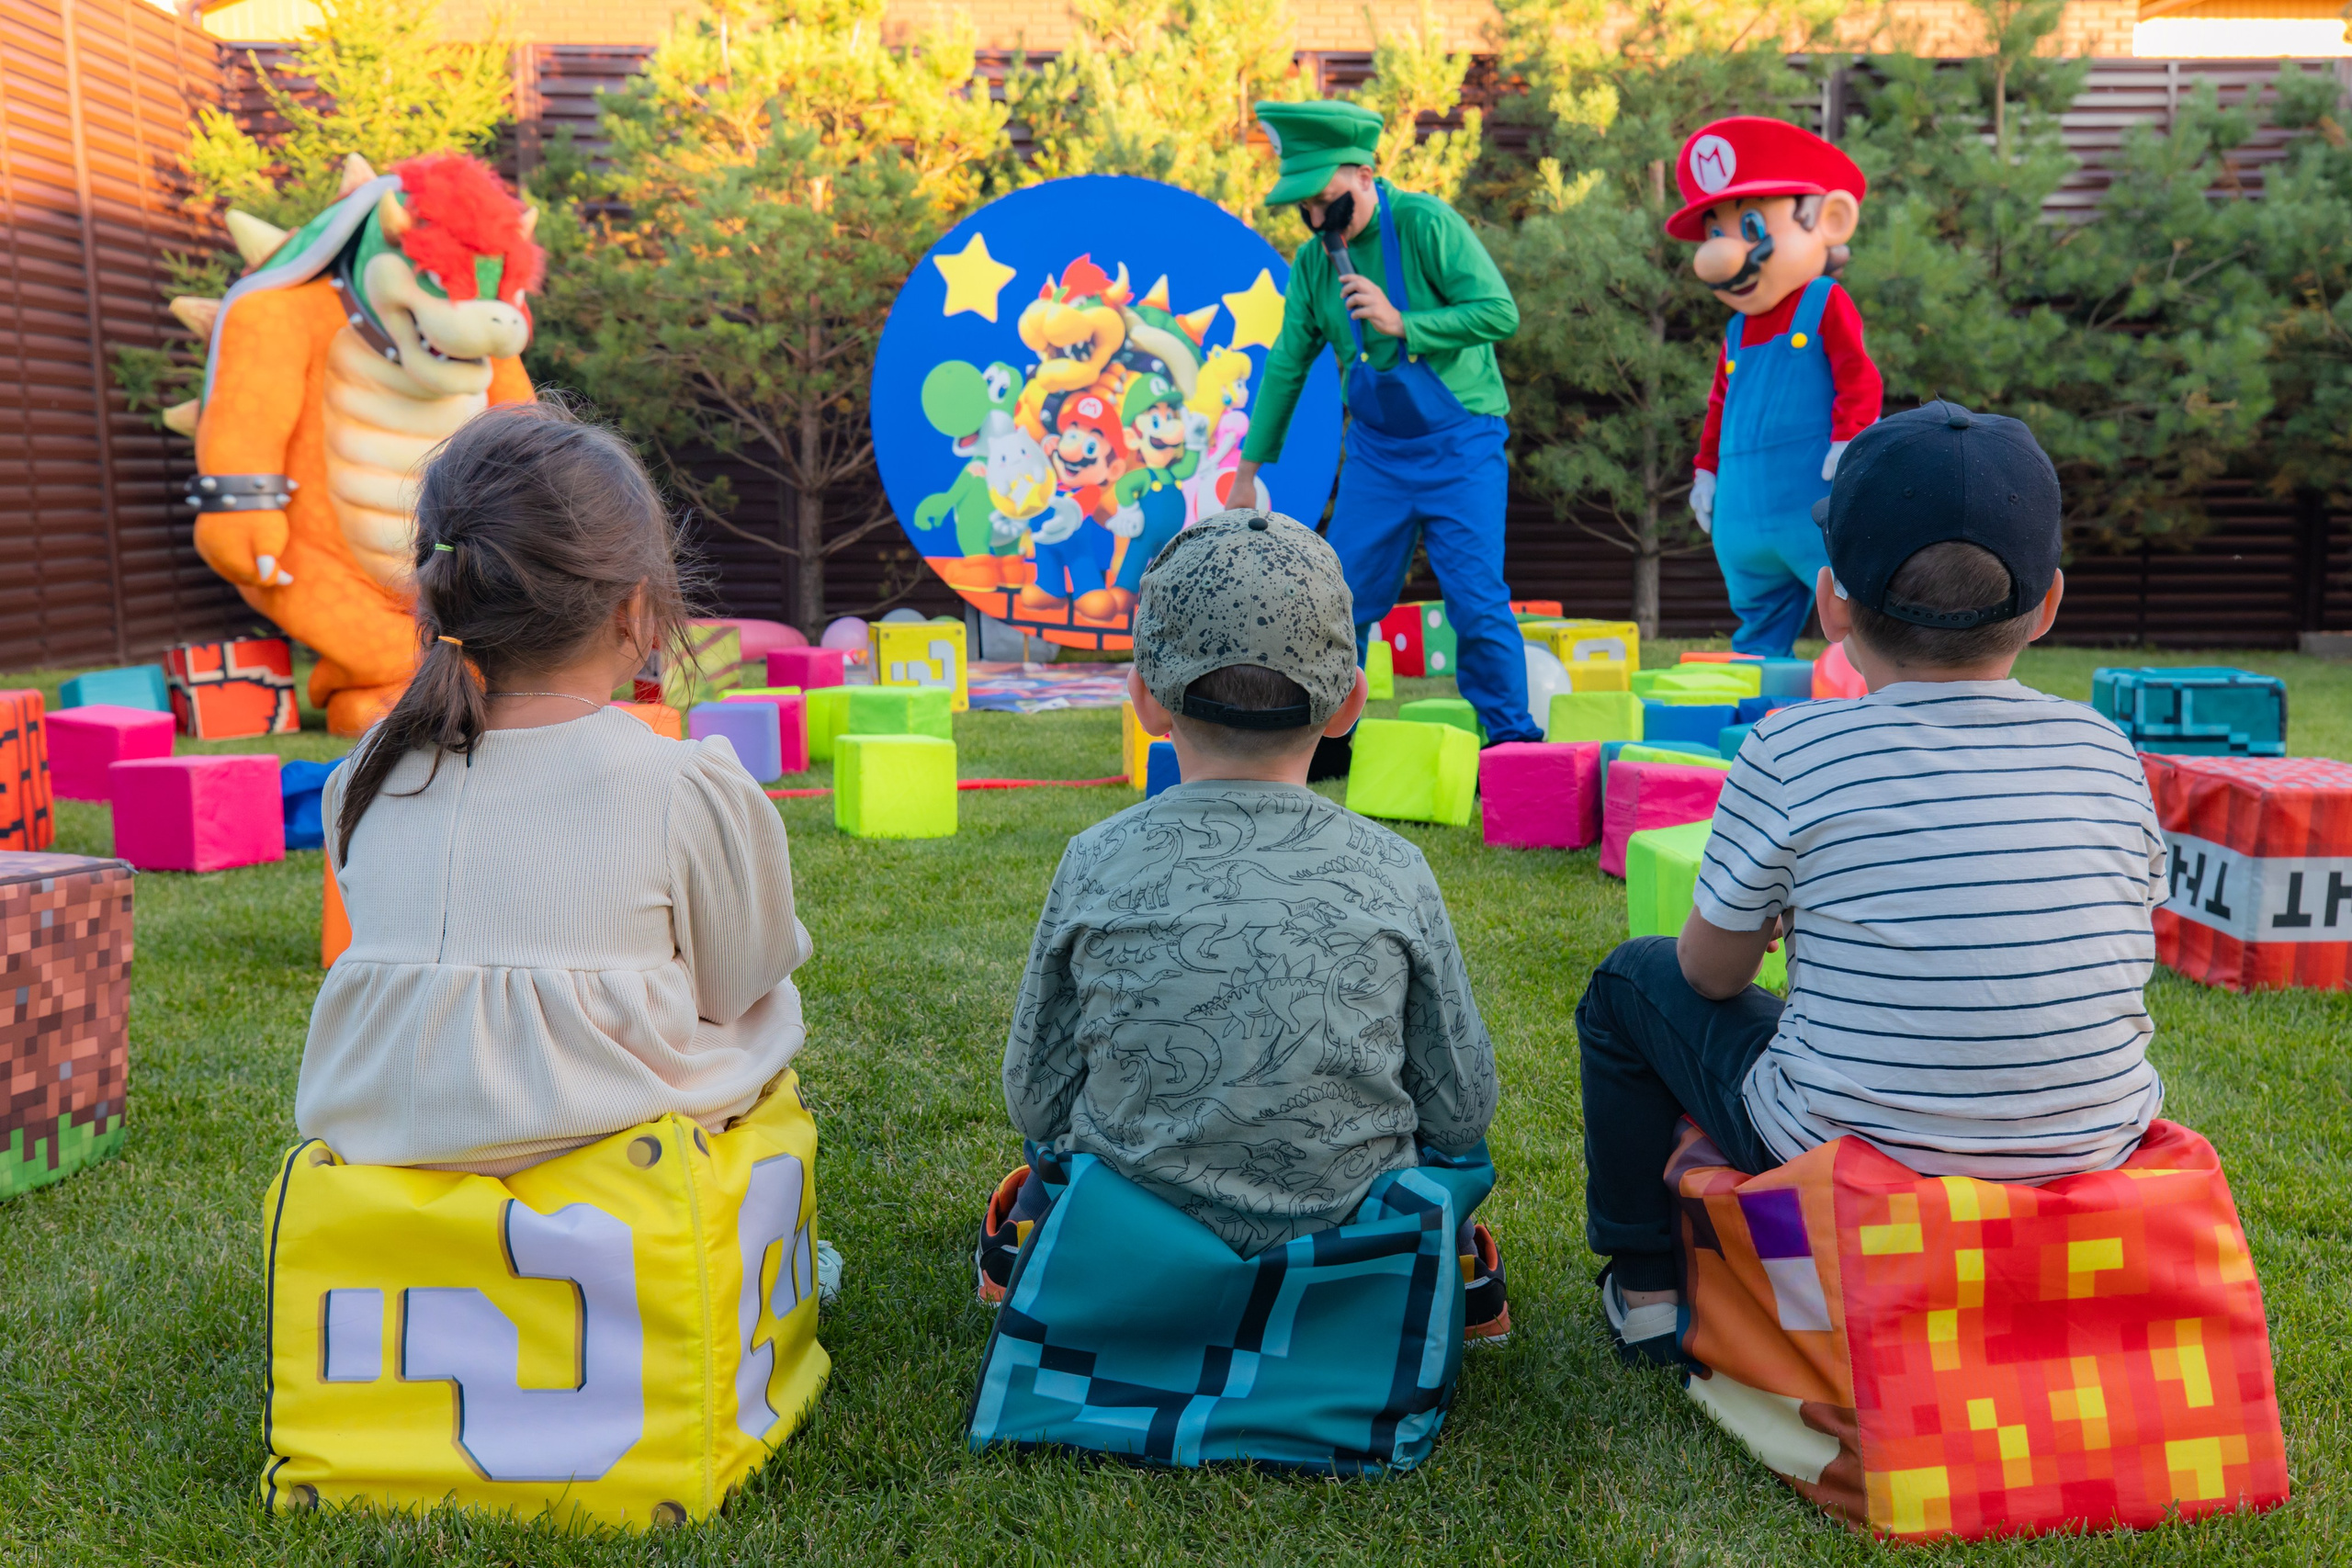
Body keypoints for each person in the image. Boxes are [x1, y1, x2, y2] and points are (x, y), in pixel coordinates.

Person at [1573, 401, 2166, 1364]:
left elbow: (1712, 980)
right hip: (2091, 1142)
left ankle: (1644, 1287)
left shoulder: (1793, 747)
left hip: (1846, 1159)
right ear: (2049, 603)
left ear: (1831, 603)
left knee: (1629, 984)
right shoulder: (2105, 749)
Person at [979, 508, 1511, 1341]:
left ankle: (1048, 1248)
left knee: (1054, 1156)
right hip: (1346, 1252)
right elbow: (1461, 1106)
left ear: (1146, 700)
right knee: (1462, 1162)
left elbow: (1036, 1099)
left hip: (1130, 1245)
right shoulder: (1396, 868)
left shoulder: (1094, 857)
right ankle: (1445, 1277)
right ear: (1349, 706)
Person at [295, 400, 814, 1177]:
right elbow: (741, 979)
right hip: (613, 1176)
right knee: (770, 1006)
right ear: (634, 609)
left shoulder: (362, 778)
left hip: (388, 1167)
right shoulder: (679, 784)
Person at [1231, 99, 1539, 746]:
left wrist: (1408, 323)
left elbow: (1499, 312)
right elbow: (1287, 364)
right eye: (1306, 207)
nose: (1318, 219)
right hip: (1377, 455)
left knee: (1477, 603)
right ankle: (1324, 741)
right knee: (1337, 602)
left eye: (1327, 200)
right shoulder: (1315, 264)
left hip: (1462, 445)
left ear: (1365, 175)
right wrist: (1246, 472)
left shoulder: (1427, 223)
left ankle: (1512, 743)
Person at [1668, 117, 1884, 657]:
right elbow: (1720, 407)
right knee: (1758, 625)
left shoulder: (1823, 300)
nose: (1721, 253)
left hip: (1811, 499)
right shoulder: (1736, 330)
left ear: (1828, 219)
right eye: (1715, 233)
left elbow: (1857, 374)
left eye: (1750, 226)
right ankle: (1760, 702)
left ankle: (1865, 689)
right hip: (1742, 513)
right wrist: (1706, 470)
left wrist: (1850, 438)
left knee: (1856, 616)